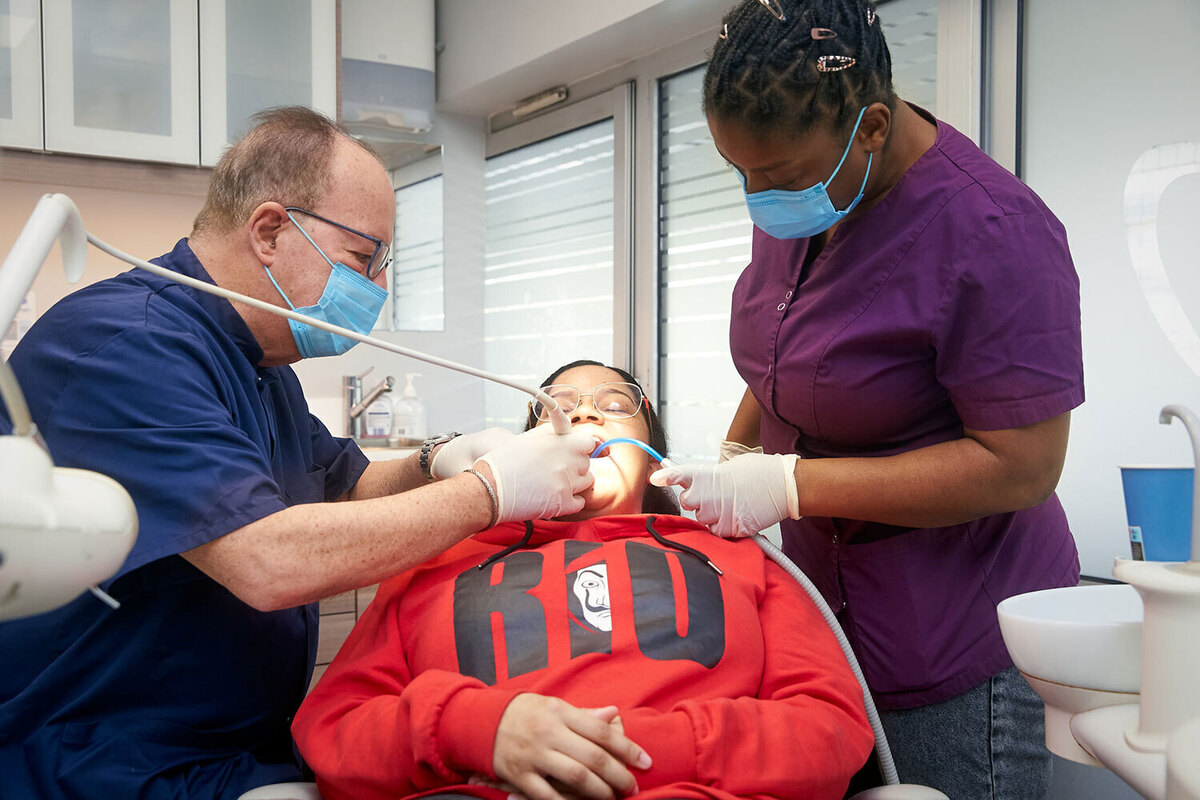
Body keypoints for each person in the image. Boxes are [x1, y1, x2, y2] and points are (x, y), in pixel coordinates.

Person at [0, 107, 596, 800]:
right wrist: (489, 491)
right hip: (102, 759)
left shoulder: (259, 359)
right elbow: (268, 561)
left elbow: (343, 485)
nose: (376, 289)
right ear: (270, 232)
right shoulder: (126, 344)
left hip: (230, 751)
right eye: (363, 259)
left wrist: (438, 458)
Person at [650, 2, 1084, 798]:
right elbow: (792, 351)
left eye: (778, 177)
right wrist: (739, 454)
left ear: (872, 127)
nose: (757, 197)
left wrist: (788, 484)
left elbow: (1021, 467)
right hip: (827, 628)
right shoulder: (808, 186)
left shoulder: (996, 233)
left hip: (955, 638)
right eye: (740, 172)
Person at [291, 360, 874, 800]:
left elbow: (829, 728)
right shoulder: (438, 561)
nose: (587, 415)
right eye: (559, 406)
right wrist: (479, 731)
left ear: (651, 456)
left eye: (615, 404)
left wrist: (640, 751)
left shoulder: (739, 558)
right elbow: (335, 729)